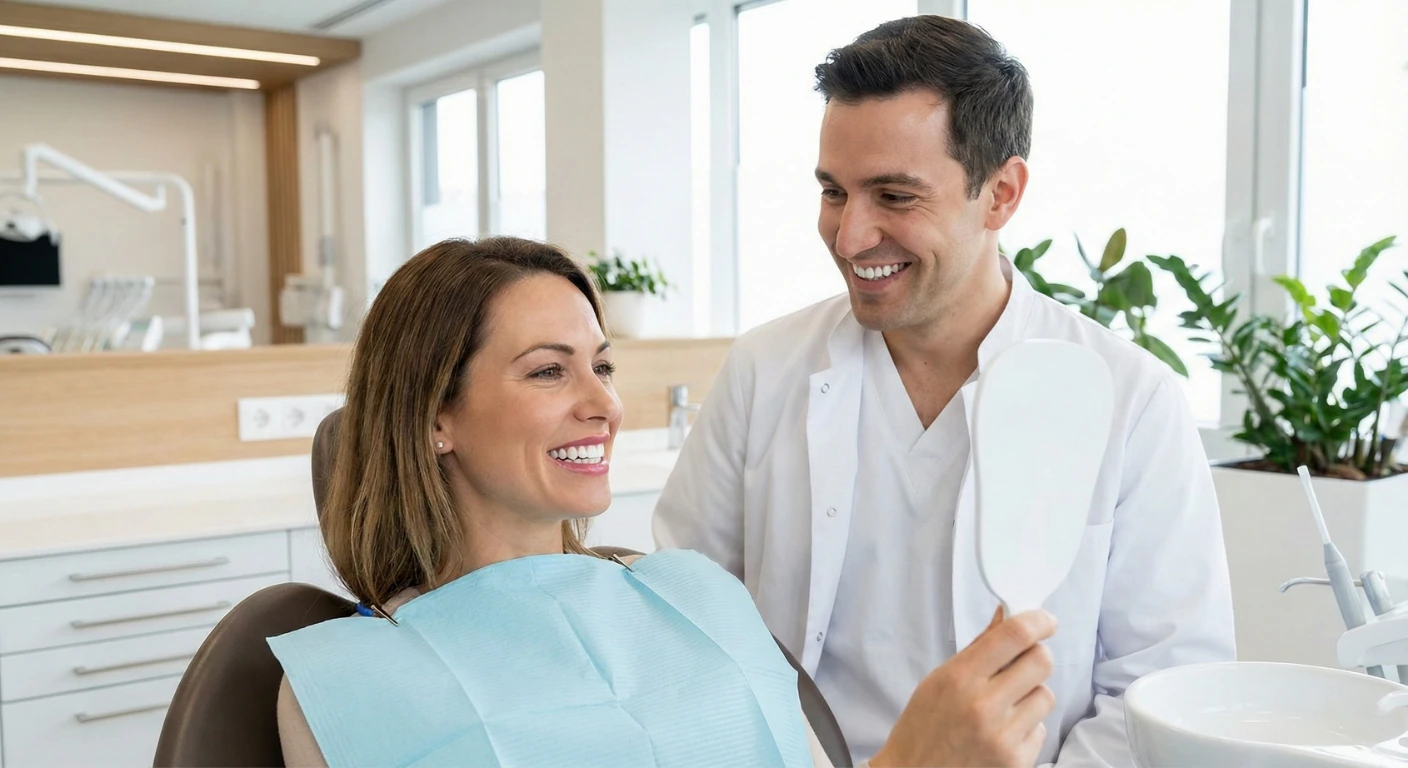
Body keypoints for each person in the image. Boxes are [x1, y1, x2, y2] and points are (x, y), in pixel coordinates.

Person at [653, 14, 1236, 767]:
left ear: (1001, 193)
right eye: (834, 192)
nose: (850, 235)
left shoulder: (1131, 400)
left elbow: (1164, 688)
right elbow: (681, 625)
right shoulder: (764, 370)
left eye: (894, 196)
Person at [268, 236, 1058, 768]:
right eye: (550, 371)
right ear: (434, 415)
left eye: (601, 367)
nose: (603, 405)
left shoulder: (695, 594)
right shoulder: (341, 686)